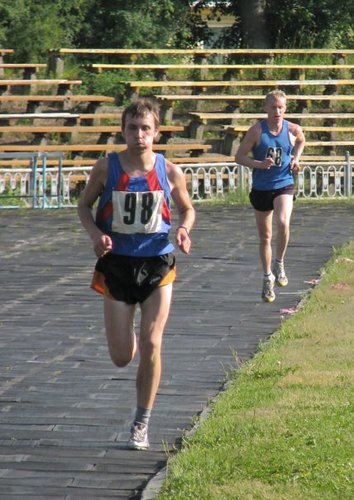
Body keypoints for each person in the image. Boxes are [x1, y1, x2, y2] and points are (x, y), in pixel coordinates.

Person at [77, 98, 195, 450]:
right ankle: (125, 323)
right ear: (123, 130)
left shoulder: (170, 171)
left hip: (158, 263)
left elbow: (188, 209)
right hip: (117, 265)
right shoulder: (106, 167)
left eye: (146, 128)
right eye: (133, 128)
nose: (139, 135)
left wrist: (184, 229)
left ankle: (141, 422)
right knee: (121, 356)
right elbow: (84, 205)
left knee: (152, 343)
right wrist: (97, 235)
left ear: (157, 132)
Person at [235, 90, 305, 303]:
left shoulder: (292, 129)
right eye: (273, 107)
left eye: (280, 107)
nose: (277, 111)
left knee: (283, 222)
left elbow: (301, 140)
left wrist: (295, 159)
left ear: (285, 108)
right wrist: (258, 164)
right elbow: (238, 157)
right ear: (266, 108)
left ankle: (280, 262)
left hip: (284, 184)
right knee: (265, 236)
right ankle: (267, 277)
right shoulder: (257, 131)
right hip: (261, 187)